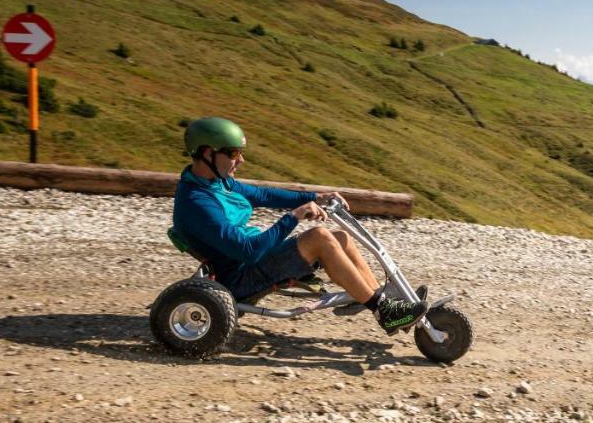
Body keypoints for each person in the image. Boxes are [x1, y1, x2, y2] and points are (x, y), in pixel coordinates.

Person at [172, 117, 427, 334]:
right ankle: (383, 311)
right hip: (241, 275)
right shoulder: (197, 202)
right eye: (232, 153)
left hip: (250, 262)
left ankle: (381, 300)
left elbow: (264, 196)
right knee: (320, 238)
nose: (240, 160)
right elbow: (247, 251)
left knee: (340, 238)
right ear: (207, 153)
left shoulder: (217, 183)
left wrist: (316, 197)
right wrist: (294, 216)